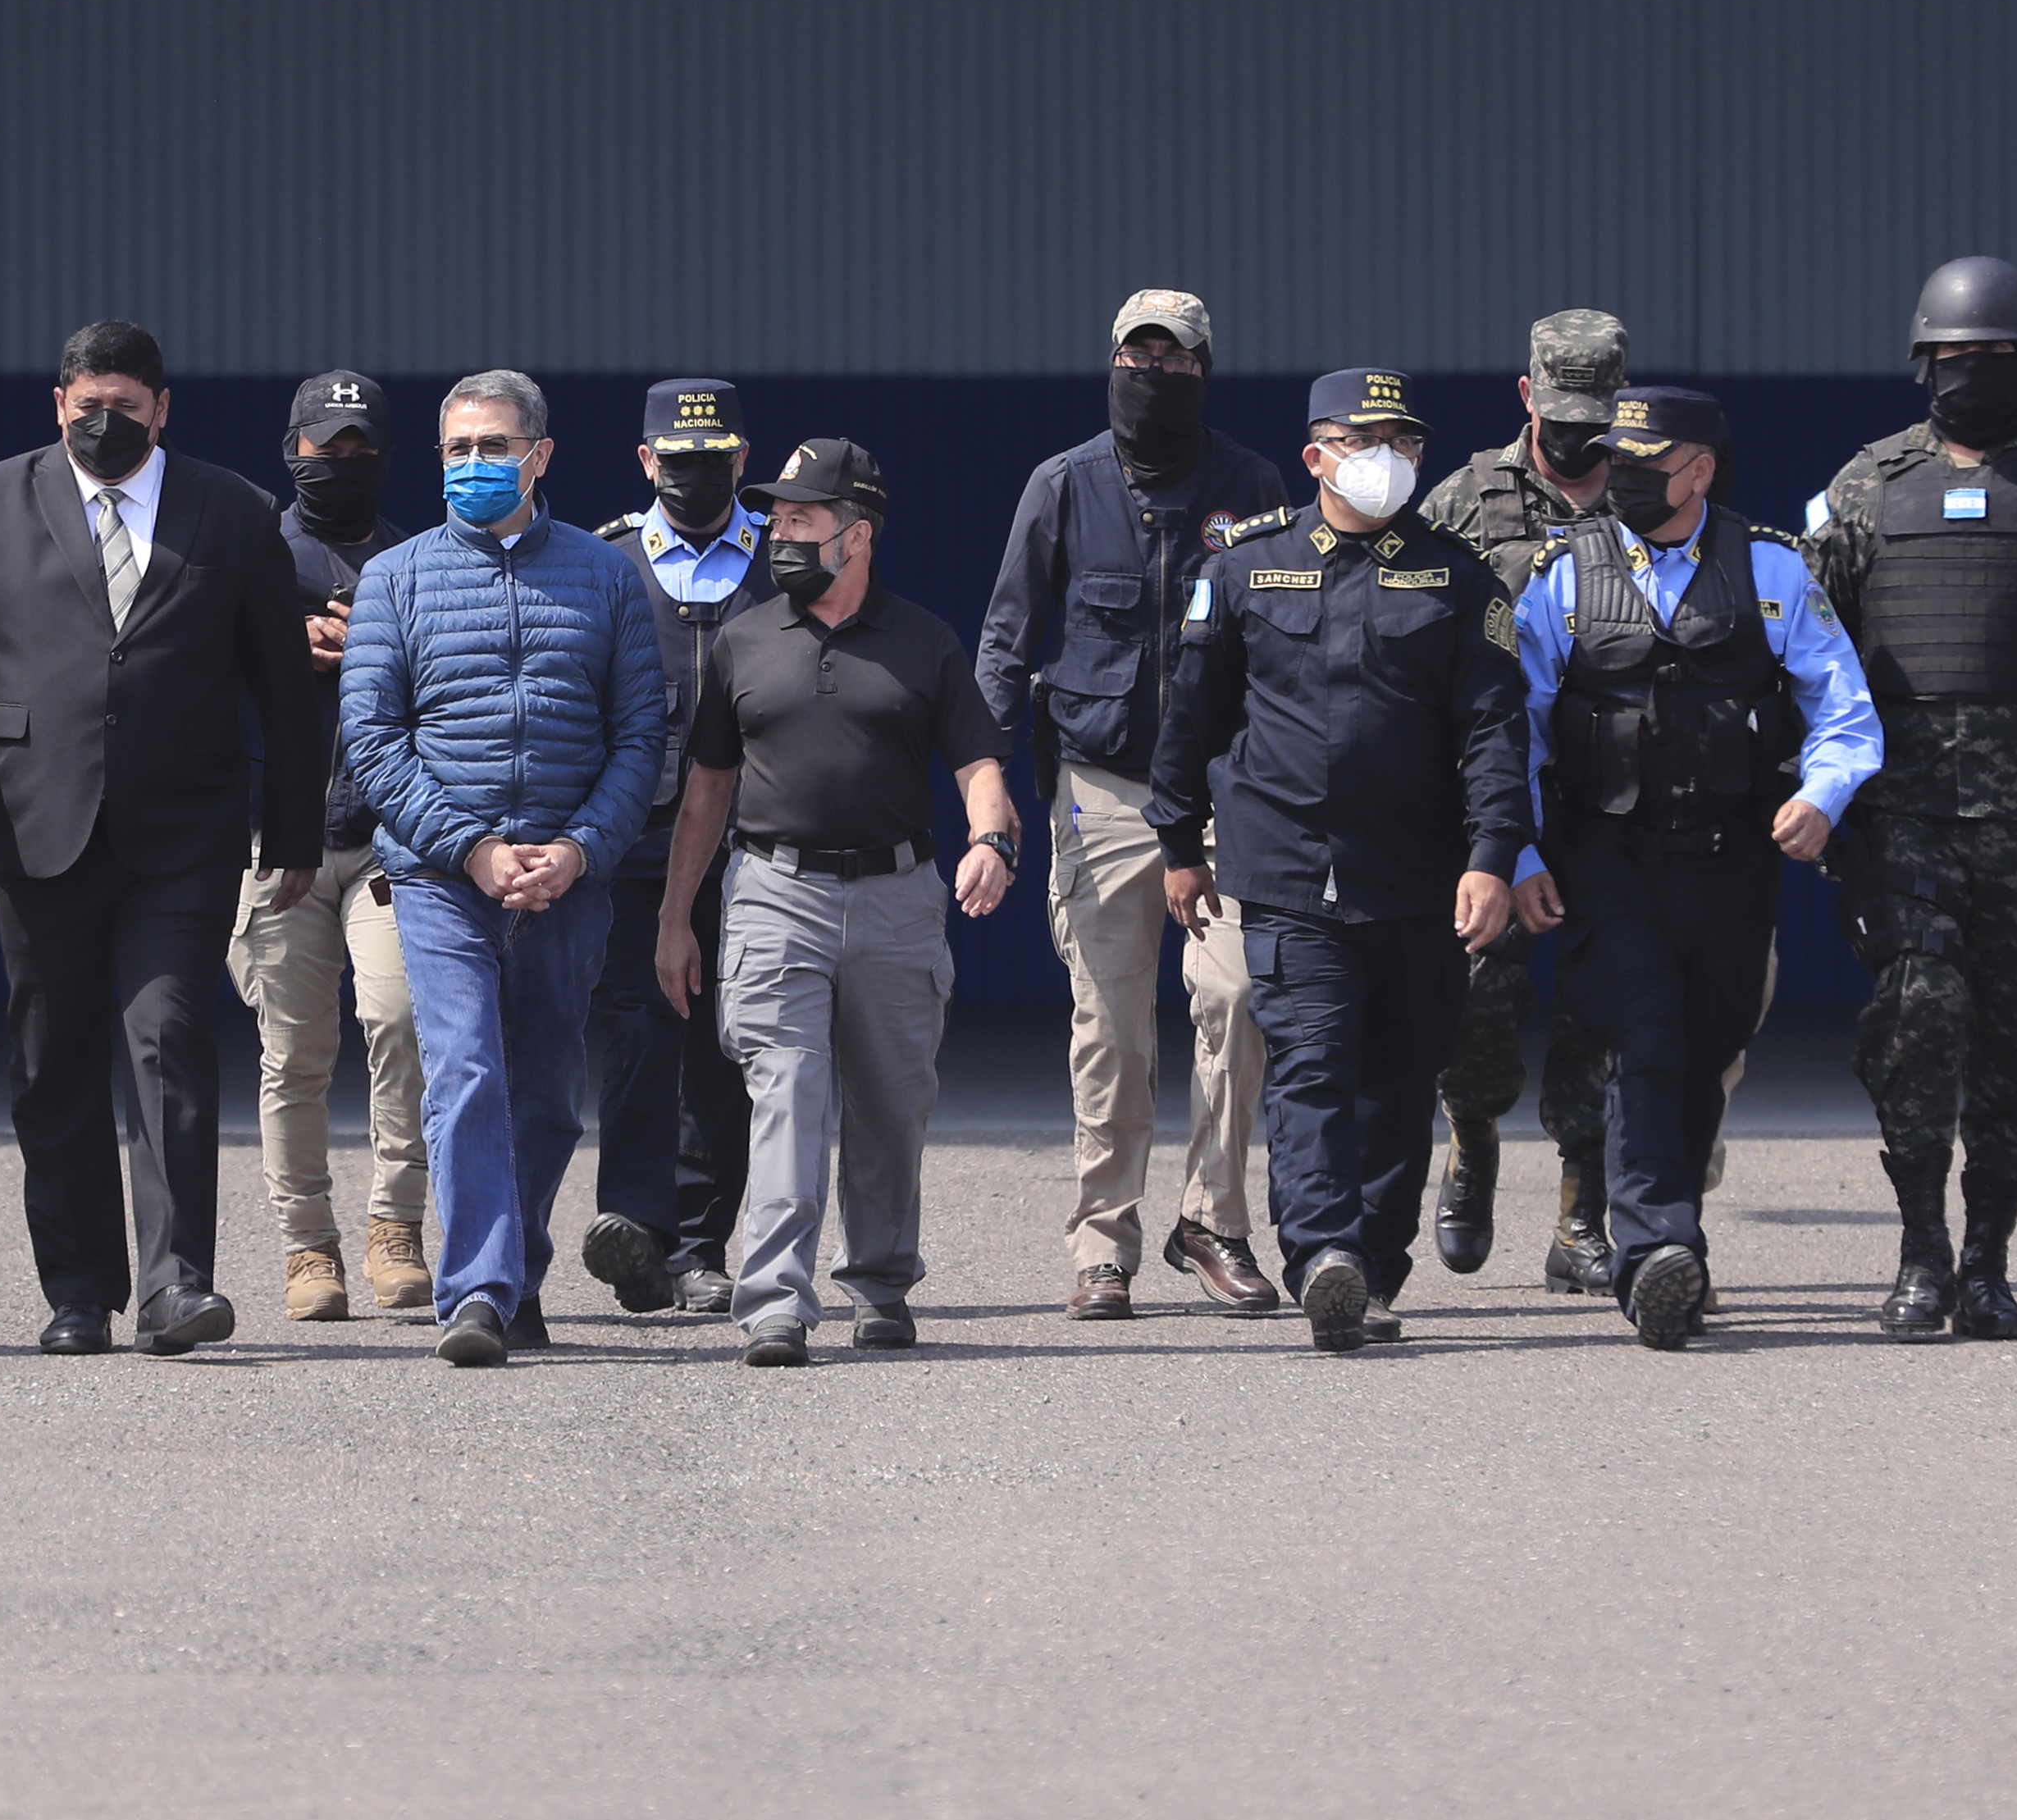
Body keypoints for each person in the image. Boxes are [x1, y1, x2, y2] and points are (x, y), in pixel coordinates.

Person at [0, 320, 323, 1356]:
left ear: (162, 409)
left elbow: (279, 682)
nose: (102, 423)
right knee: (54, 1060)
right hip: (33, 818)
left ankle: (177, 1285)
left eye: (124, 407)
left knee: (168, 1035)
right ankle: (79, 1287)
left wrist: (295, 828)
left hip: (185, 829)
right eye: (85, 405)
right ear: (57, 403)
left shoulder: (231, 508)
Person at [1150, 371, 1531, 1352]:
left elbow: (1492, 728)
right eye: (1368, 439)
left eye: (1406, 441)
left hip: (1415, 872)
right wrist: (1175, 839)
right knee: (1311, 1067)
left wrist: (1492, 854)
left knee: (1399, 1077)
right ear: (1316, 454)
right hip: (1283, 870)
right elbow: (1190, 714)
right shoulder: (1244, 567)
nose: (1391, 457)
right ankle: (1324, 1254)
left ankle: (1373, 1260)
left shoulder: (1458, 576)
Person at [1802, 258, 2017, 1340]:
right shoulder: (1866, 488)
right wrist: (1830, 788)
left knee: (2016, 1041)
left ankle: (1989, 1262)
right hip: (1902, 816)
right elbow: (1813, 650)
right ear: (1924, 366)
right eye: (1960, 358)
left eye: (1999, 357)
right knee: (1917, 1013)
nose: (1978, 374)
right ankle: (1921, 1250)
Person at [1510, 387, 1878, 1349]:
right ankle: (1654, 1250)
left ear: (1700, 469)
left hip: (1727, 864)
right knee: (1643, 1040)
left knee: (1705, 1046)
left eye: (1644, 459)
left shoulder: (1770, 570)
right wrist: (1512, 851)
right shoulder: (1560, 574)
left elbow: (1844, 711)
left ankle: (1669, 1241)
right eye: (1613, 458)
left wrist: (1821, 795)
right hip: (1606, 860)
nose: (1619, 474)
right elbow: (1513, 725)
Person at [654, 438, 1012, 1363]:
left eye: (801, 518)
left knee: (892, 1102)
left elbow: (977, 760)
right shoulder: (741, 641)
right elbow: (705, 788)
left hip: (896, 896)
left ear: (855, 535)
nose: (779, 532)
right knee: (788, 1091)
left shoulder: (924, 641)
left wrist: (991, 839)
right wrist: (673, 916)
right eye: (776, 517)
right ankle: (775, 1295)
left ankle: (881, 1281)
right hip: (773, 893)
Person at [340, 369, 666, 1368]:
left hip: (566, 881)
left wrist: (576, 850)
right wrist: (471, 847)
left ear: (540, 455)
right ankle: (475, 1292)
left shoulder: (606, 575)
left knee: (545, 1092)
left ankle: (515, 1268)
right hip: (444, 878)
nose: (472, 465)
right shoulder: (394, 578)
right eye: (455, 450)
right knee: (466, 1072)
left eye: (492, 447)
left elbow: (639, 731)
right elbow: (371, 736)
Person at [976, 287, 1288, 1322]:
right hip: (1101, 792)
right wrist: (991, 788)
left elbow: (1280, 645)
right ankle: (1102, 1244)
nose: (1153, 373)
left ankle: (1212, 1221)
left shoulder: (1251, 485)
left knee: (1237, 1000)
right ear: (1110, 361)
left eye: (1175, 357)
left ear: (1205, 368)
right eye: (1136, 354)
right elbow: (1004, 641)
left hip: (1223, 799)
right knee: (1109, 1028)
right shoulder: (1060, 484)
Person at [1417, 309, 1627, 1294]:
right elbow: (1413, 637)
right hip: (1490, 797)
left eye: (1595, 415)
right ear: (1524, 396)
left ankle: (1580, 1215)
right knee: (1478, 1003)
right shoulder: (1464, 498)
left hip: (1607, 799)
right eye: (1559, 413)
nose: (1577, 436)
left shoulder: (1648, 491)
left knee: (1599, 1012)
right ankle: (1469, 1141)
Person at [227, 369, 431, 1320]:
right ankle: (307, 1245)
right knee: (294, 1050)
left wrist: (382, 648)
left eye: (359, 447)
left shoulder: (420, 560)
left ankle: (396, 1226)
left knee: (402, 1024)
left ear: (386, 456)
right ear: (290, 451)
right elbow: (185, 676)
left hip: (389, 836)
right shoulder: (247, 556)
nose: (341, 462)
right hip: (277, 839)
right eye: (324, 446)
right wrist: (276, 641)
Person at [582, 376, 776, 1317]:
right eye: (676, 463)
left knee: (722, 1051)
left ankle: (699, 1244)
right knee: (635, 1034)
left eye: (713, 464)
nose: (694, 478)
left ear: (740, 461)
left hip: (758, 841)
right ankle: (633, 1224)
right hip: (638, 840)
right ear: (645, 461)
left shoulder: (783, 560)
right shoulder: (602, 562)